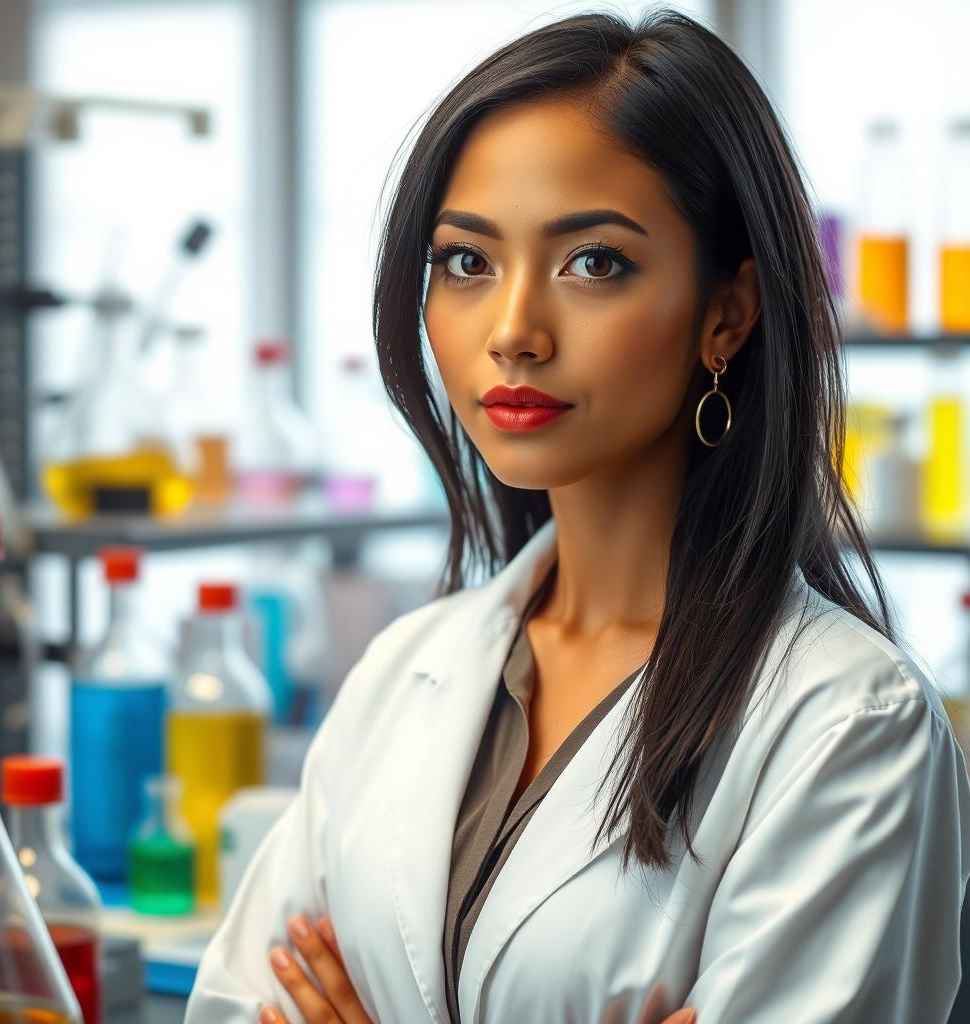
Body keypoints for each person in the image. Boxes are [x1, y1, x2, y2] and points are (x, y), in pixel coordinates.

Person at [185, 7, 970, 1023]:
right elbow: (236, 1003)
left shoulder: (850, 727)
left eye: (593, 262)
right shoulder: (402, 671)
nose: (511, 331)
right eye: (466, 261)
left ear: (726, 312)